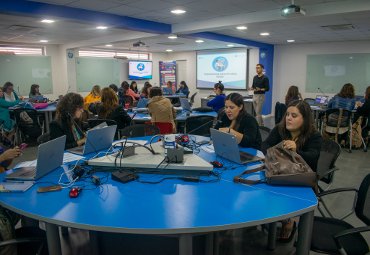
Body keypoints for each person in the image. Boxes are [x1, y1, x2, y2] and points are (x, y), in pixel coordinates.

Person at [262, 100, 322, 241]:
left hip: (301, 179)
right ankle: (281, 217)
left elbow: (313, 159)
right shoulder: (280, 129)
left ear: (305, 119)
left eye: (294, 116)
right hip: (278, 173)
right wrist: (277, 149)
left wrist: (297, 150)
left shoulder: (314, 136)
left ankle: (289, 221)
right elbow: (264, 145)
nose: (288, 118)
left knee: (282, 194)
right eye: (287, 114)